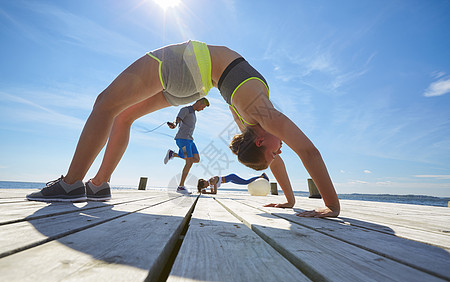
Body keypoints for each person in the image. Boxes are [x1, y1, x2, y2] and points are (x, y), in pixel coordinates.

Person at [26, 40, 340, 218]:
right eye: (277, 149)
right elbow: (277, 158)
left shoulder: (261, 115)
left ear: (258, 140)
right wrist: (290, 200)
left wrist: (331, 205)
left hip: (190, 66)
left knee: (106, 103)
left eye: (274, 148)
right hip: (194, 85)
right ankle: (98, 184)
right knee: (123, 117)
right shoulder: (253, 122)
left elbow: (307, 151)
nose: (280, 147)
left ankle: (70, 184)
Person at [164, 98, 209, 194]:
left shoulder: (193, 113)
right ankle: (180, 186)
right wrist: (174, 124)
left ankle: (173, 154)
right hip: (183, 139)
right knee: (189, 162)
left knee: (196, 159)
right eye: (203, 107)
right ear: (198, 102)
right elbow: (178, 119)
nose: (202, 109)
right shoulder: (186, 110)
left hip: (190, 140)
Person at [198, 173, 269, 194]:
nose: (206, 187)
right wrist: (204, 191)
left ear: (204, 182)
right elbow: (212, 192)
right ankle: (261, 176)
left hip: (231, 177)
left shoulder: (212, 180)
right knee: (245, 182)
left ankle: (262, 176)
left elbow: (215, 192)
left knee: (245, 182)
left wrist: (205, 193)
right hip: (230, 180)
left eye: (204, 186)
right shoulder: (210, 184)